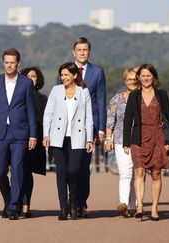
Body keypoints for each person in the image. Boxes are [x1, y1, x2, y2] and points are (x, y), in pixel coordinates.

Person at [0, 48, 37, 220]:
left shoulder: (26, 83)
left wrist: (33, 135)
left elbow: (31, 111)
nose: (10, 65)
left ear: (18, 63)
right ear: (3, 62)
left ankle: (13, 207)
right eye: (7, 62)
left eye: (13, 62)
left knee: (18, 169)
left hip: (20, 134)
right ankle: (9, 200)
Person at [57, 37, 106, 217]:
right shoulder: (65, 70)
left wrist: (101, 129)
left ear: (89, 52)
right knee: (68, 167)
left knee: (82, 167)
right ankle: (70, 200)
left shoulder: (97, 72)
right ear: (74, 52)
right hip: (66, 127)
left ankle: (80, 202)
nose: (82, 53)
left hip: (88, 126)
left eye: (85, 50)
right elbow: (57, 97)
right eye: (79, 50)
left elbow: (101, 101)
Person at [123, 64, 169, 221]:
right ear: (138, 77)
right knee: (139, 171)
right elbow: (128, 120)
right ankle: (139, 206)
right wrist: (126, 142)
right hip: (138, 137)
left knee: (156, 173)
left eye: (148, 75)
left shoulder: (162, 95)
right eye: (143, 75)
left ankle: (154, 208)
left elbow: (168, 118)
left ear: (154, 77)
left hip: (158, 136)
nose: (146, 78)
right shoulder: (134, 96)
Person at [43, 62, 93, 220]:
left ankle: (74, 202)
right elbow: (48, 113)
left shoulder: (83, 92)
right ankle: (63, 207)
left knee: (73, 170)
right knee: (61, 173)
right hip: (58, 138)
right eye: (62, 75)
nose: (63, 77)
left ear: (74, 75)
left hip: (77, 138)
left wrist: (89, 138)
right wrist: (46, 135)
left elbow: (89, 117)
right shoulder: (56, 91)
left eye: (66, 74)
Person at [105, 67, 138, 218]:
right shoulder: (117, 99)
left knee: (137, 173)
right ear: (125, 81)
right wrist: (108, 138)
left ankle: (135, 204)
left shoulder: (144, 97)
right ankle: (123, 203)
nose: (132, 82)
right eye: (129, 79)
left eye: (135, 79)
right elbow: (110, 120)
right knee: (125, 173)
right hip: (120, 140)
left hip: (140, 140)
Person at [19, 66, 48, 217]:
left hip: (34, 139)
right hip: (17, 138)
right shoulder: (16, 96)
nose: (31, 78)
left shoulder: (42, 99)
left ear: (38, 80)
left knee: (27, 171)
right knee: (17, 172)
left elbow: (45, 120)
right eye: (27, 76)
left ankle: (25, 203)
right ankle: (15, 201)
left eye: (34, 76)